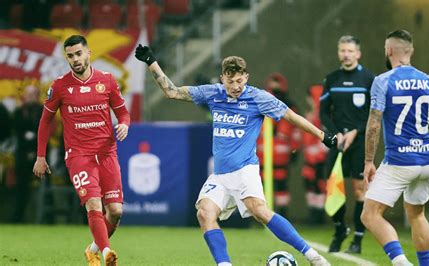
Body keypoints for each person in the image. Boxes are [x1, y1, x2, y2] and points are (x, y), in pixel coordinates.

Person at [135, 45, 336, 266]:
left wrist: (322, 135)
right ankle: (224, 264)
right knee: (204, 213)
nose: (236, 87)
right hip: (220, 175)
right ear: (222, 79)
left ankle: (313, 257)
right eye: (230, 82)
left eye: (240, 81)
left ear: (246, 77)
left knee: (259, 211)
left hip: (245, 170)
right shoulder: (213, 93)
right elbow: (172, 91)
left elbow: (290, 115)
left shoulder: (258, 97)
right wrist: (151, 62)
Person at [32, 35, 130, 266]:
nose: (75, 59)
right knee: (94, 204)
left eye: (78, 54)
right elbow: (46, 121)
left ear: (88, 53)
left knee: (115, 211)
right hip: (79, 156)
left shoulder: (107, 80)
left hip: (107, 154)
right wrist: (40, 156)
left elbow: (123, 113)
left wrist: (124, 124)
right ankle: (107, 254)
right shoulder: (59, 86)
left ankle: (93, 249)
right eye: (70, 56)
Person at [361, 29, 429, 266]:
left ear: (389, 50)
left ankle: (401, 262)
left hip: (399, 161)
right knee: (417, 215)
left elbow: (373, 124)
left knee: (369, 215)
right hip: (425, 161)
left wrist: (369, 162)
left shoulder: (383, 80)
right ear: (411, 51)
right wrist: (424, 141)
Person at [320, 35, 375, 253]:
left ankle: (358, 240)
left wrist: (356, 131)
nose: (346, 54)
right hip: (338, 142)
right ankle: (340, 228)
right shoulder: (331, 79)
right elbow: (323, 113)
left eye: (350, 50)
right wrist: (336, 134)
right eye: (342, 50)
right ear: (338, 52)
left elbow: (374, 114)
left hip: (361, 142)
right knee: (333, 188)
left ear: (358, 54)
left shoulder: (370, 79)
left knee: (359, 190)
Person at [256, 73, 300, 218]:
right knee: (260, 186)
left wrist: (295, 149)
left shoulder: (289, 106)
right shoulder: (261, 106)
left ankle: (282, 215)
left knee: (281, 186)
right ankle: (261, 215)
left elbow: (295, 131)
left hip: (280, 156)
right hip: (263, 155)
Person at [12, 85, 43, 223]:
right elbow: (17, 131)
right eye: (28, 94)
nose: (29, 97)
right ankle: (19, 216)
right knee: (21, 186)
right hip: (22, 154)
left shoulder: (42, 111)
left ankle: (45, 217)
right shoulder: (19, 111)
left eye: (32, 94)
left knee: (43, 185)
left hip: (40, 154)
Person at [301, 85, 328, 224]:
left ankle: (319, 213)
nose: (308, 100)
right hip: (309, 156)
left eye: (310, 97)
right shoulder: (310, 114)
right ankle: (313, 211)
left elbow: (326, 137)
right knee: (309, 182)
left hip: (320, 158)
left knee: (319, 184)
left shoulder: (323, 116)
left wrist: (317, 152)